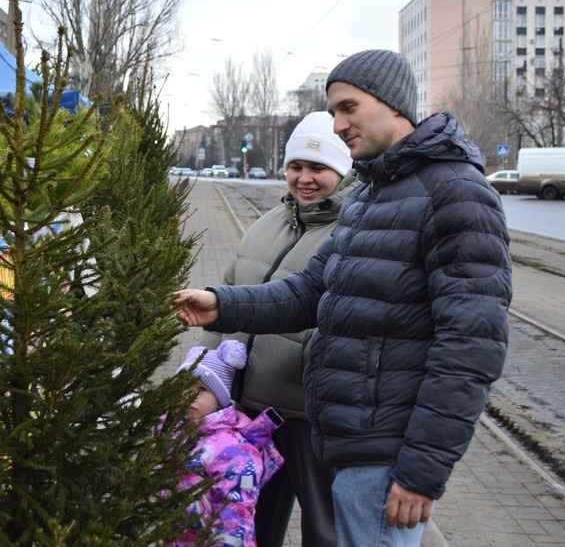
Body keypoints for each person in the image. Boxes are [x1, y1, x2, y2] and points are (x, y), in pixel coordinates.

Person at [174, 49, 512, 546]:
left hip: (389, 453)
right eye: (333, 111)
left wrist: (422, 469)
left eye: (348, 108)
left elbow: (470, 348)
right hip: (350, 440)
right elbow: (309, 292)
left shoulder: (456, 192)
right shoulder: (372, 196)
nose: (337, 124)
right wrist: (221, 303)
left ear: (392, 103)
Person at [197, 110, 358, 547]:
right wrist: (203, 374)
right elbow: (229, 299)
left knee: (324, 526)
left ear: (344, 172)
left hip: (309, 415)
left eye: (319, 168)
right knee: (249, 520)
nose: (304, 178)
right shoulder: (268, 224)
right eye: (296, 166)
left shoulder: (354, 232)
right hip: (250, 409)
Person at [169, 340, 283, 547]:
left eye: (201, 389)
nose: (189, 395)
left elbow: (236, 514)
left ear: (220, 398)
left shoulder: (234, 451)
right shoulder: (177, 432)